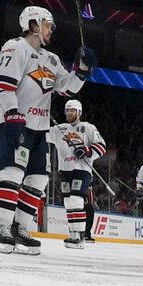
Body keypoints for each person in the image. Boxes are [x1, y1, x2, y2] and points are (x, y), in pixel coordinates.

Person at [0, 6, 94, 255]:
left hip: (40, 129)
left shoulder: (51, 59)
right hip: (15, 122)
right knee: (12, 174)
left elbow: (67, 89)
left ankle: (19, 228)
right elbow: (4, 83)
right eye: (48, 25)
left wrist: (81, 70)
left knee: (38, 180)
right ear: (34, 24)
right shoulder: (16, 47)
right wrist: (12, 114)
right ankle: (1, 228)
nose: (51, 30)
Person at [48, 99, 106, 249]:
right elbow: (42, 134)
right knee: (68, 202)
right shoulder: (59, 129)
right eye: (67, 110)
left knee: (76, 199)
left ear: (79, 112)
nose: (69, 113)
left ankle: (80, 236)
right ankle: (73, 233)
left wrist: (87, 151)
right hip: (65, 169)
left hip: (81, 169)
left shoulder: (87, 128)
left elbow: (101, 146)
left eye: (72, 110)